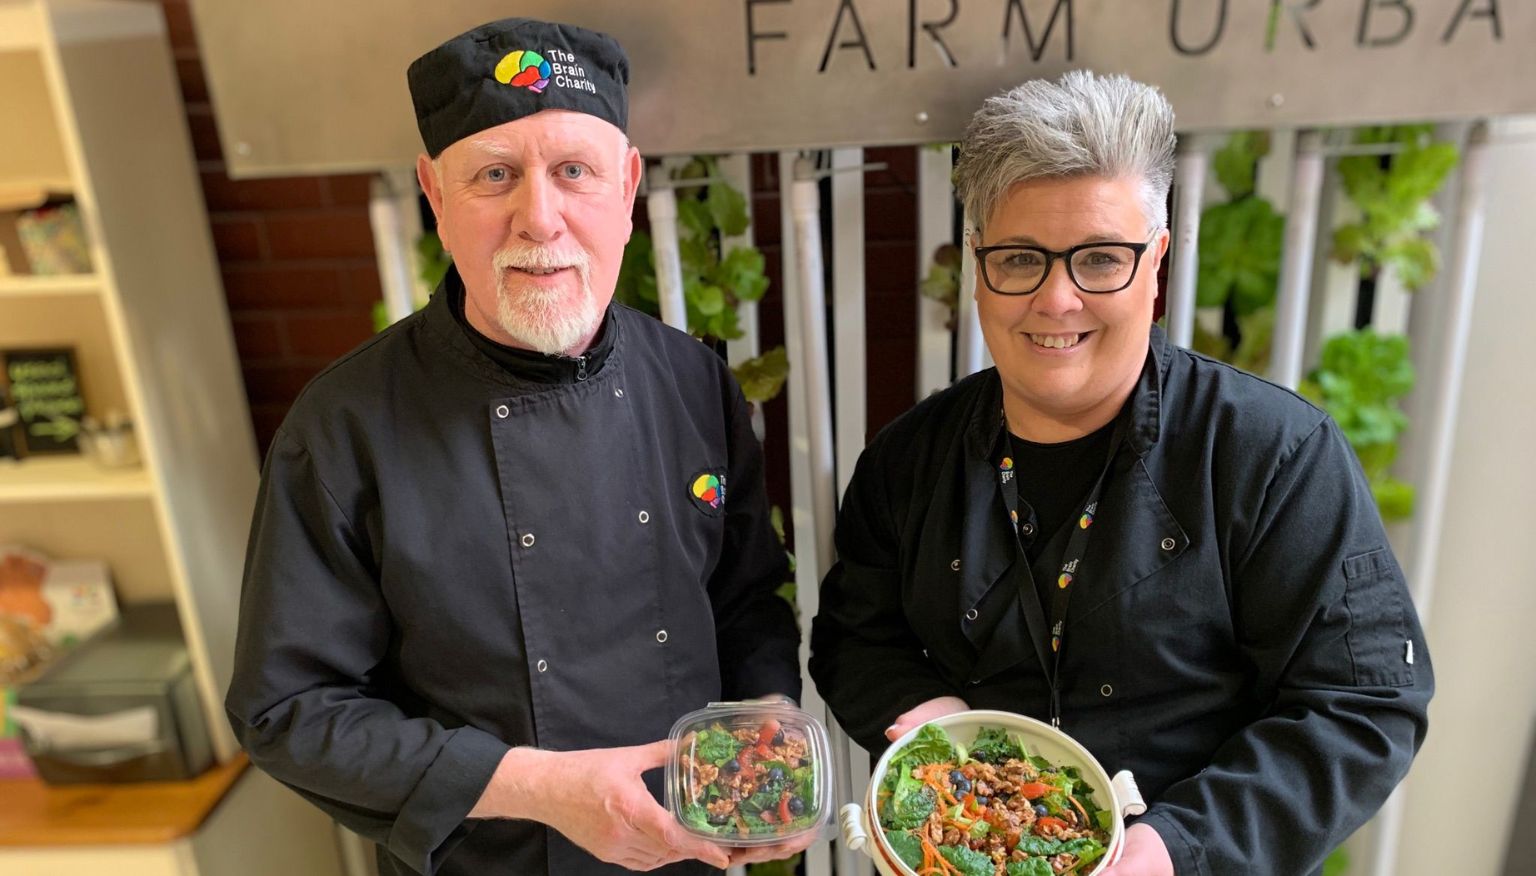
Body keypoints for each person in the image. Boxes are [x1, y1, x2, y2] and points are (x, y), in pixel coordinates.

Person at [809, 71, 1433, 875]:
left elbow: (1363, 706)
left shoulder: (1275, 454)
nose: (1058, 299)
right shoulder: (908, 457)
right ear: (977, 269)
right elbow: (856, 636)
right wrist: (929, 724)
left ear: (1157, 264)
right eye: (1021, 258)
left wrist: (1176, 848)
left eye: (1101, 259)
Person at [225, 18, 807, 876]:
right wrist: (539, 788)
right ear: (433, 191)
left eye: (574, 171)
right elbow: (289, 708)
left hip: (693, 851)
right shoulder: (344, 426)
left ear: (629, 184)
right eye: (495, 175)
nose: (540, 218)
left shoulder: (693, 381)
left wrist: (769, 727)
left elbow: (747, 597)